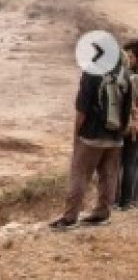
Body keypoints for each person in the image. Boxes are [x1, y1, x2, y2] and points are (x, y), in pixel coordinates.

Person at [50, 50, 134, 230]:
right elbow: (127, 109)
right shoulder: (125, 75)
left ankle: (70, 218)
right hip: (115, 137)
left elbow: (82, 109)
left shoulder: (91, 73)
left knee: (79, 174)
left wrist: (76, 134)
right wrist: (121, 133)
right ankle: (103, 213)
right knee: (109, 176)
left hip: (91, 136)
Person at [118, 41, 138, 210]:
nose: (128, 60)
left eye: (130, 56)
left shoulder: (131, 78)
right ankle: (132, 199)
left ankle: (123, 201)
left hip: (131, 126)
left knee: (127, 162)